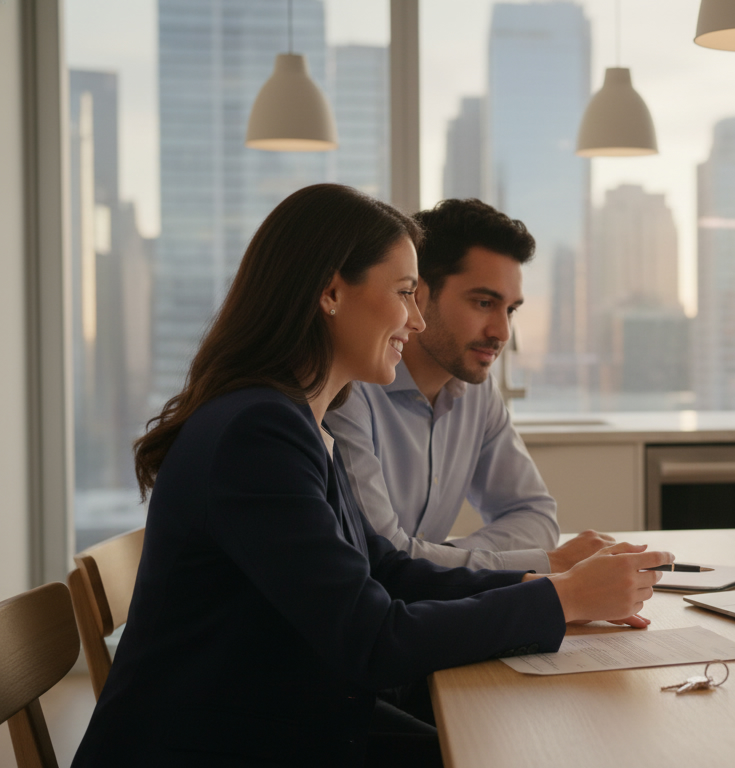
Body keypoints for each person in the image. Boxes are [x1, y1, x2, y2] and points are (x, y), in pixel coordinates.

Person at [71, 184, 672, 768]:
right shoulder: (259, 434)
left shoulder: (295, 419)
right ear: (331, 292)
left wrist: (544, 589)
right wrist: (560, 597)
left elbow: (384, 570)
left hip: (279, 722)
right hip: (222, 747)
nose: (415, 321)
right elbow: (371, 638)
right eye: (407, 293)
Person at [327, 198, 608, 574]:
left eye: (509, 309)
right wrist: (533, 563)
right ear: (418, 294)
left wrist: (442, 557)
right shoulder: (348, 387)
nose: (502, 332)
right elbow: (381, 556)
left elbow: (534, 515)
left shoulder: (476, 390)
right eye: (483, 302)